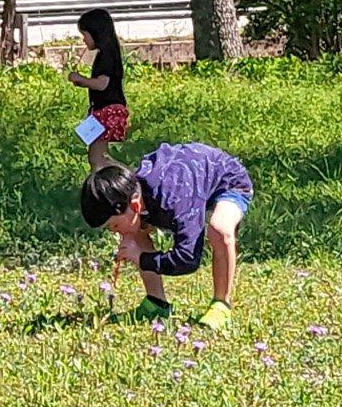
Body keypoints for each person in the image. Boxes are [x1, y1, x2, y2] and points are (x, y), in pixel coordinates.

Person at [79, 141, 251, 331]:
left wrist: (142, 259)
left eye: (115, 225)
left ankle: (221, 304)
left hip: (228, 181)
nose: (116, 232)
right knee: (135, 230)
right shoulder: (135, 190)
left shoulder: (176, 201)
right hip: (193, 179)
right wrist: (135, 237)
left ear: (135, 204)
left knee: (219, 229)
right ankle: (156, 303)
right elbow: (136, 222)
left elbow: (187, 259)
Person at [67, 7, 128, 170]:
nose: (84, 40)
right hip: (102, 109)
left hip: (108, 111)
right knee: (96, 157)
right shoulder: (108, 52)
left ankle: (129, 178)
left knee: (98, 158)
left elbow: (102, 84)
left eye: (84, 35)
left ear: (96, 33)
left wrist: (81, 79)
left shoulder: (106, 55)